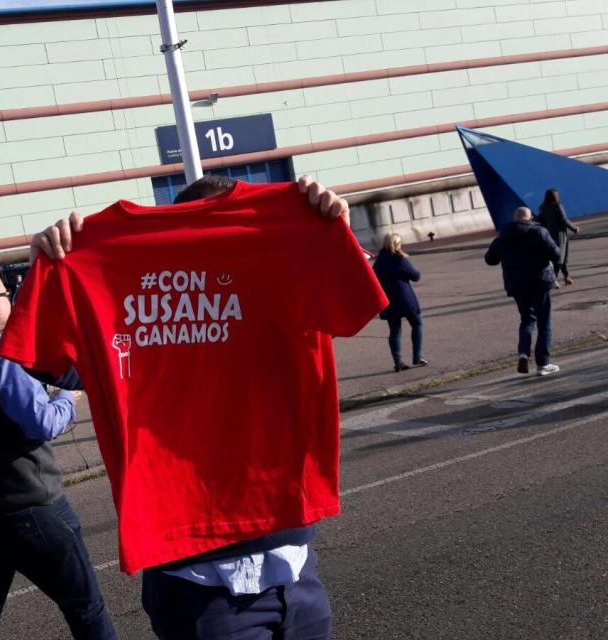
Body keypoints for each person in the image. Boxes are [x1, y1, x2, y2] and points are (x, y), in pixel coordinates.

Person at [27, 175, 364, 640]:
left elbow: (360, 303)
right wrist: (48, 271)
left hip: (296, 565)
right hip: (197, 584)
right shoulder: (96, 258)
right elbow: (55, 365)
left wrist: (333, 232)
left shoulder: (291, 233)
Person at [0, 265, 117, 640]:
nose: (11, 299)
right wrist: (65, 397)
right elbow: (41, 423)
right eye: (7, 293)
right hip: (28, 508)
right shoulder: (1, 355)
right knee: (85, 607)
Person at [485, 207, 562, 376]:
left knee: (527, 319)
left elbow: (490, 259)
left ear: (515, 218)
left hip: (517, 285)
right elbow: (557, 255)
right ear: (530, 217)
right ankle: (543, 363)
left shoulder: (504, 234)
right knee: (544, 322)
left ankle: (523, 354)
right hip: (539, 282)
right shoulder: (539, 232)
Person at [372, 232, 427, 372]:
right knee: (417, 324)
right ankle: (417, 356)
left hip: (388, 301)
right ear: (397, 244)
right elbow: (416, 276)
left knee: (395, 331)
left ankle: (398, 362)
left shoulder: (379, 261)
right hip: (405, 299)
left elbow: (373, 280)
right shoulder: (400, 259)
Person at [537, 188, 579, 286]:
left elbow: (539, 220)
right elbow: (564, 219)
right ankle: (552, 279)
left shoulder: (542, 207)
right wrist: (575, 228)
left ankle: (566, 277)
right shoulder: (557, 206)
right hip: (560, 235)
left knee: (561, 257)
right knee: (560, 258)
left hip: (548, 234)